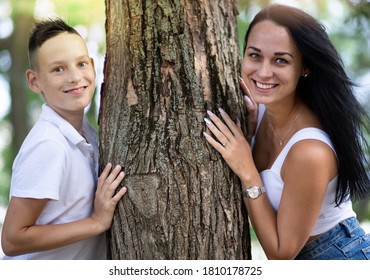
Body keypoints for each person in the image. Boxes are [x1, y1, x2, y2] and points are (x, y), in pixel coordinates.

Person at [203, 4, 370, 260]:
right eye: (255, 55)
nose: (263, 72)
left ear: (304, 67)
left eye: (280, 60)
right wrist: (250, 135)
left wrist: (247, 170)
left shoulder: (310, 152)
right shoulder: (256, 109)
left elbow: (281, 254)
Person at [0, 18, 127, 259]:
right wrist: (96, 222)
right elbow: (12, 239)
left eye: (81, 64)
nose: (74, 77)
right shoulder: (50, 145)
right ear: (34, 81)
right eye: (58, 69)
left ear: (92, 64)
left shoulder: (89, 136)